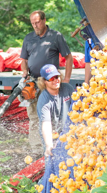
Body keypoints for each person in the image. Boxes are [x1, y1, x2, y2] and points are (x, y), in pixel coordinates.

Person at [20, 11, 72, 154]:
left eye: (37, 22)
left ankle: (57, 144)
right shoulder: (28, 38)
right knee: (33, 116)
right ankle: (37, 150)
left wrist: (66, 79)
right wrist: (24, 71)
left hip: (50, 81)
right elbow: (23, 60)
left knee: (52, 115)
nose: (35, 26)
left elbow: (68, 57)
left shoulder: (56, 36)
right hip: (33, 82)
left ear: (44, 20)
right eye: (32, 23)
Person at [36, 64, 74, 159]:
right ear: (44, 81)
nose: (55, 80)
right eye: (51, 79)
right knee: (53, 157)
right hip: (52, 133)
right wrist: (49, 144)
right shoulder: (43, 100)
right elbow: (46, 124)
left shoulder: (67, 88)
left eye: (56, 77)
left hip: (69, 131)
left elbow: (78, 108)